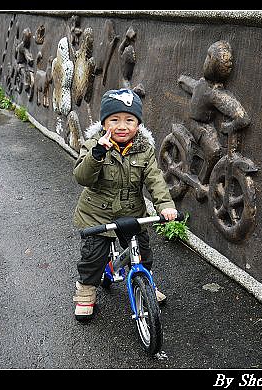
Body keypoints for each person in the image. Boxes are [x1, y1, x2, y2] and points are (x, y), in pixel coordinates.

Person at [72, 88, 178, 321]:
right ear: (104, 122)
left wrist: (165, 205)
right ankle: (86, 292)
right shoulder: (93, 145)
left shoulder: (144, 149)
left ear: (138, 124)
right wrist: (98, 153)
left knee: (142, 252)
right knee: (93, 258)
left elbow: (155, 179)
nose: (122, 126)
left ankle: (145, 282)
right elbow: (82, 177)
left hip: (131, 213)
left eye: (129, 120)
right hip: (96, 216)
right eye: (114, 120)